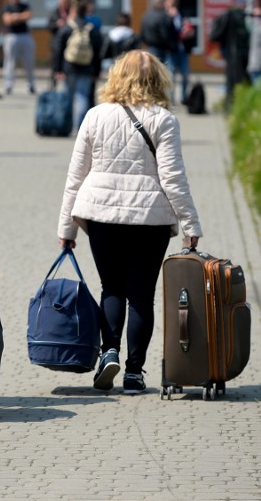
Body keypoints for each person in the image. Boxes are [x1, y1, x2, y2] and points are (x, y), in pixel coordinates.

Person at [57, 50, 202, 395]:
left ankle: (110, 351)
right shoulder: (164, 120)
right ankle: (134, 373)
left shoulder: (95, 115)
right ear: (159, 80)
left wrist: (66, 229)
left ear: (117, 77)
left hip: (101, 215)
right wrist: (190, 224)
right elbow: (173, 178)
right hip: (149, 219)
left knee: (111, 288)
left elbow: (75, 175)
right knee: (140, 296)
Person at [52, 0, 103, 129]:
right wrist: (97, 71)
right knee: (82, 98)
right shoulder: (91, 29)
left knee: (67, 98)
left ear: (73, 11)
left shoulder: (67, 28)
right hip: (86, 68)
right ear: (86, 12)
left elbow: (58, 49)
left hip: (69, 68)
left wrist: (57, 70)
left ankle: (65, 125)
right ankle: (81, 128)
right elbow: (97, 52)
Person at [210, 1, 251, 112]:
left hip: (234, 55)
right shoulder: (234, 17)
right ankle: (233, 108)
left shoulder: (235, 17)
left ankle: (231, 107)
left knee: (234, 83)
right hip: (236, 55)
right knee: (237, 82)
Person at [1, 0, 36, 95]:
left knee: (29, 62)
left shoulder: (24, 5)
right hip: (11, 36)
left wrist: (16, 17)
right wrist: (18, 17)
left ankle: (30, 84)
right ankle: (8, 84)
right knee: (10, 61)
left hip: (25, 35)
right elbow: (7, 20)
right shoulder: (6, 7)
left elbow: (28, 15)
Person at [164, 0, 190, 104]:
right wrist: (170, 17)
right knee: (171, 75)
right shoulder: (165, 16)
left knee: (185, 74)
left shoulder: (182, 15)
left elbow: (187, 27)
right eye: (170, 1)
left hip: (182, 49)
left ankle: (184, 97)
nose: (172, 4)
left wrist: (189, 32)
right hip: (171, 50)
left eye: (174, 2)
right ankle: (171, 98)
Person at [139, 0, 176, 64]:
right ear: (160, 4)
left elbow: (142, 33)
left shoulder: (145, 16)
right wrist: (171, 46)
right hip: (161, 49)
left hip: (149, 47)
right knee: (164, 71)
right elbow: (165, 35)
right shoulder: (163, 17)